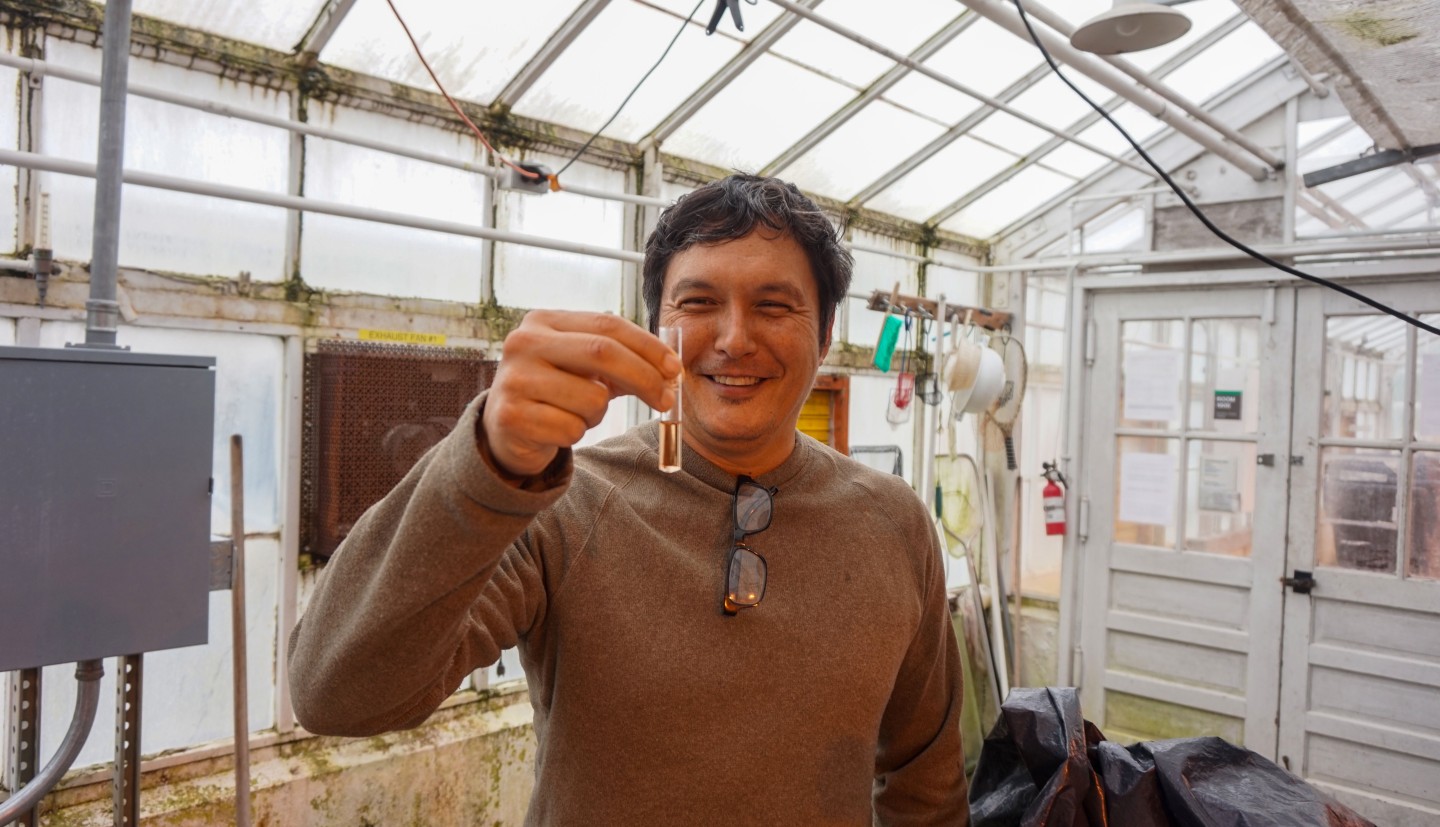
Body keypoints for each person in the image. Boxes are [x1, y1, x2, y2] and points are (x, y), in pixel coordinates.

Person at [289, 173, 969, 825]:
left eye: (773, 304)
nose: (734, 339)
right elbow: (337, 692)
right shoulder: (561, 503)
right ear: (655, 331)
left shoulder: (892, 521)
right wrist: (485, 462)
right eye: (698, 303)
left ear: (823, 336)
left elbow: (925, 776)